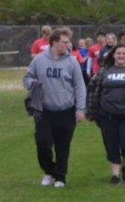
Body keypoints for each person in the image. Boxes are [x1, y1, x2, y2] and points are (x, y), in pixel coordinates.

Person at [23, 28, 87, 188]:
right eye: (65, 42)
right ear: (54, 42)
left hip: (66, 110)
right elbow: (27, 78)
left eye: (68, 42)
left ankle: (60, 177)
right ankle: (49, 170)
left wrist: (80, 109)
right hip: (44, 111)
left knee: (62, 146)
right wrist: (32, 83)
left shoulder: (72, 61)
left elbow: (79, 86)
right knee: (43, 143)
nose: (68, 45)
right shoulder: (39, 60)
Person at [86, 44, 125, 185]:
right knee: (111, 144)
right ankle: (114, 175)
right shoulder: (103, 71)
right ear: (113, 55)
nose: (121, 56)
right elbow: (92, 88)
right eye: (118, 53)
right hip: (106, 113)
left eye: (124, 54)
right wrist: (91, 110)